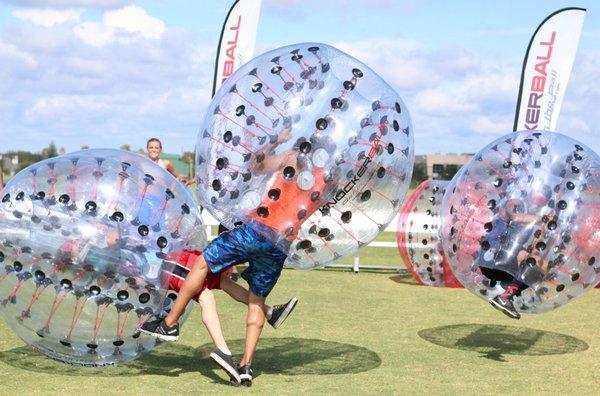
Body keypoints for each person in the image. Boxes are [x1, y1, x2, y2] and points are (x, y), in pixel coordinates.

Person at [141, 132, 333, 386]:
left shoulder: (290, 159)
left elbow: (256, 165)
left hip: (256, 230)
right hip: (279, 244)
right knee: (256, 300)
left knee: (203, 263)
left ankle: (170, 322)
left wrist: (276, 140)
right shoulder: (326, 181)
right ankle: (245, 368)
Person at [163, 249, 297, 384]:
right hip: (169, 261)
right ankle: (223, 351)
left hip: (181, 256)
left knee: (222, 281)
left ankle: (270, 313)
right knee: (205, 295)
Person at [477, 197, 550, 319]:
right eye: (513, 206)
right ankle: (506, 296)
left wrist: (543, 228)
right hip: (492, 262)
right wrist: (543, 218)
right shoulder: (501, 221)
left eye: (519, 207)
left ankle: (508, 293)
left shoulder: (517, 228)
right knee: (530, 259)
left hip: (503, 267)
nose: (516, 208)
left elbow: (533, 249)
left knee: (542, 264)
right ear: (504, 208)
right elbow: (515, 216)